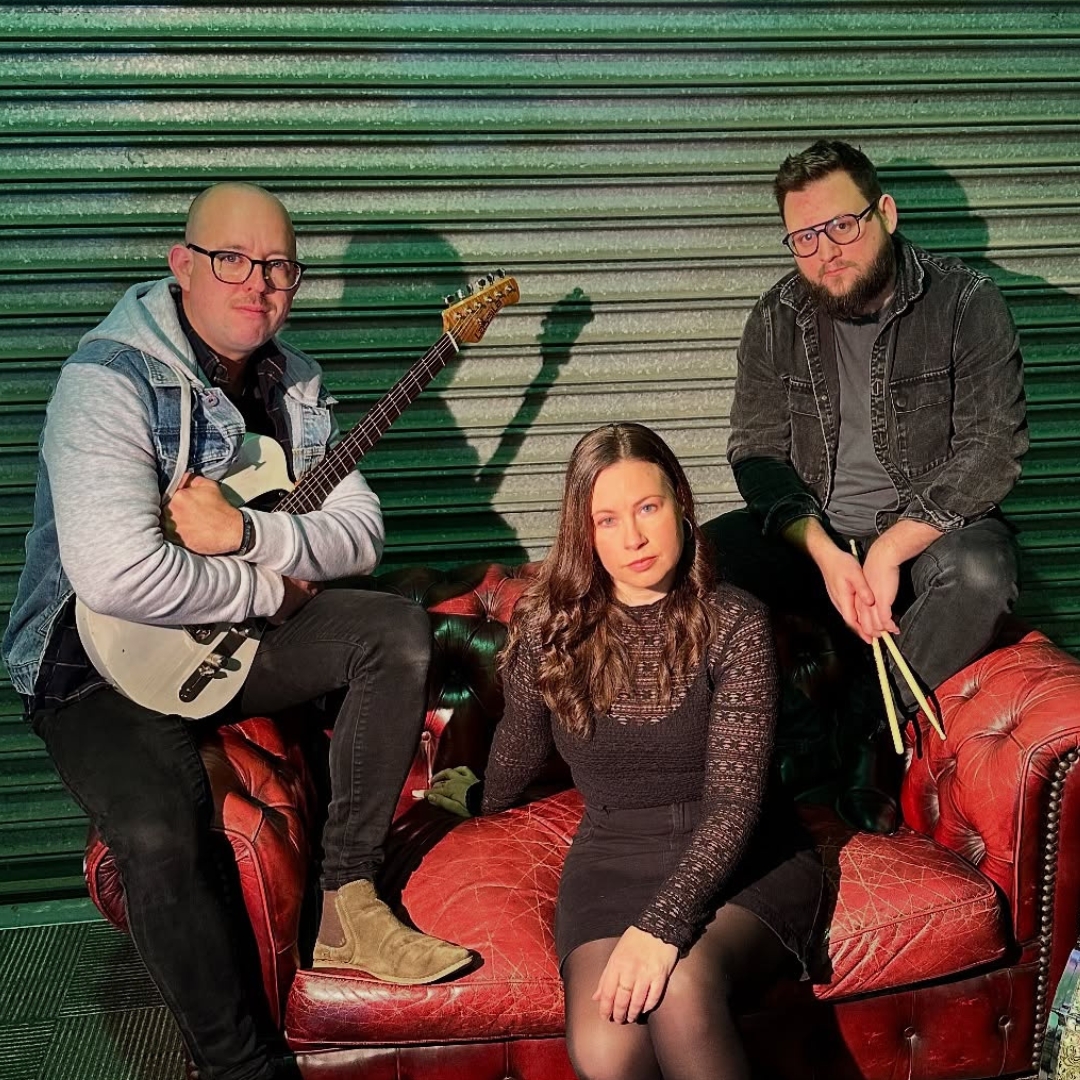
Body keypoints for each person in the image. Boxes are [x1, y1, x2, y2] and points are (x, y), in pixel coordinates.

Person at [2, 182, 471, 1080]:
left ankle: (349, 896)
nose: (257, 283)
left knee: (395, 631)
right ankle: (240, 1066)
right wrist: (270, 590)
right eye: (232, 260)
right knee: (158, 834)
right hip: (93, 656)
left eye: (278, 267)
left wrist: (248, 534)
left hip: (230, 634)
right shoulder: (106, 382)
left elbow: (361, 535)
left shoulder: (295, 382)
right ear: (182, 266)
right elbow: (118, 574)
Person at [424, 423, 823, 1080]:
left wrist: (661, 927)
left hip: (745, 855)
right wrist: (478, 804)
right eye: (606, 519)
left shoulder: (735, 621)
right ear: (584, 534)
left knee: (682, 988)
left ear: (681, 506)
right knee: (607, 1049)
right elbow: (520, 747)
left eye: (647, 508)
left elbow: (733, 806)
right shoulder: (549, 627)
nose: (632, 537)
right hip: (613, 853)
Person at [707, 139, 1027, 832]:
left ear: (885, 212)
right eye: (804, 238)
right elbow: (756, 454)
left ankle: (867, 731)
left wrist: (888, 550)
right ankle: (801, 742)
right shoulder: (775, 317)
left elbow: (992, 450)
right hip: (817, 531)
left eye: (842, 225)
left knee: (981, 574)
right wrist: (826, 554)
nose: (825, 251)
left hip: (929, 531)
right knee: (695, 564)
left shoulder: (966, 303)